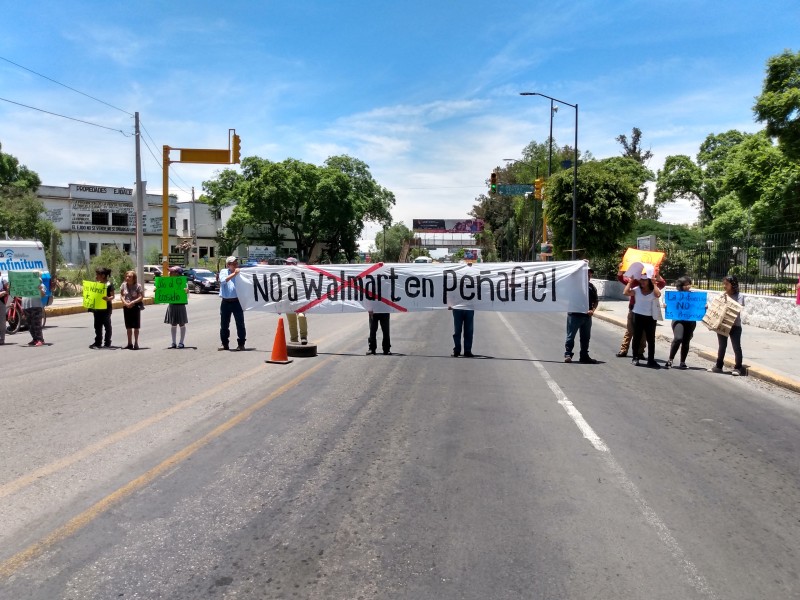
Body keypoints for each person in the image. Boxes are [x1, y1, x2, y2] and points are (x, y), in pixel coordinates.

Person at [616, 266, 666, 359]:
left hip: (648, 313)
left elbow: (662, 283)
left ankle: (640, 352)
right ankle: (624, 349)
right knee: (630, 330)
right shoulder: (635, 283)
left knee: (643, 334)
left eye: (645, 278)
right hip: (634, 310)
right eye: (641, 277)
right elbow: (621, 279)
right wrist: (621, 269)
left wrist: (657, 274)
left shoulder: (651, 285)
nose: (642, 281)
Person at [709, 275, 745, 376]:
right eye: (724, 284)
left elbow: (737, 309)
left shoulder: (739, 296)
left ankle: (738, 367)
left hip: (735, 326)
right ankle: (718, 366)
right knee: (722, 346)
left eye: (726, 284)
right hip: (722, 325)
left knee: (736, 347)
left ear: (732, 285)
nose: (724, 286)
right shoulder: (722, 295)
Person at [624, 273, 662, 368]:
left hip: (650, 317)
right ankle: (635, 357)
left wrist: (654, 284)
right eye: (641, 280)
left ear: (649, 281)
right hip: (638, 316)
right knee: (637, 337)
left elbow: (658, 295)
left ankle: (651, 360)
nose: (642, 282)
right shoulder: (637, 290)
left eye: (645, 280)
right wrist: (630, 282)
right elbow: (625, 292)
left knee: (651, 339)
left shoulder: (653, 290)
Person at [564, 266, 599, 364]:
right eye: (586, 274)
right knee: (570, 336)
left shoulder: (591, 287)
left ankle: (584, 356)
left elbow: (596, 301)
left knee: (585, 338)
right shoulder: (574, 285)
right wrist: (579, 266)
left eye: (589, 274)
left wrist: (593, 310)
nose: (588, 276)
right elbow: (570, 275)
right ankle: (568, 354)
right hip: (574, 315)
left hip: (586, 317)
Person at [666, 276, 696, 370]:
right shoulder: (675, 296)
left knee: (686, 341)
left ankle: (682, 362)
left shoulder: (694, 296)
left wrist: (704, 307)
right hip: (678, 320)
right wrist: (666, 305)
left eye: (689, 284)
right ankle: (670, 359)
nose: (688, 286)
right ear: (680, 286)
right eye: (685, 285)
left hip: (690, 321)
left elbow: (697, 307)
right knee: (678, 338)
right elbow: (670, 305)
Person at [218, 256, 246, 351]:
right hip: (225, 302)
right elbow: (222, 281)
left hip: (237, 301)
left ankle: (241, 344)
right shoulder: (224, 272)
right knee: (224, 324)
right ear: (228, 265)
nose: (235, 265)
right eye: (233, 264)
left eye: (236, 263)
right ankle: (224, 343)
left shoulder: (240, 272)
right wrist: (234, 273)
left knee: (240, 323)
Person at [284, 257, 308, 344]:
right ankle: (294, 339)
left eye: (289, 263)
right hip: (288, 301)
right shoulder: (283, 274)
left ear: (294, 264)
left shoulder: (301, 273)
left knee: (301, 316)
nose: (287, 265)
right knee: (291, 321)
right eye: (286, 263)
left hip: (300, 300)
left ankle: (303, 336)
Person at [90, 267, 115, 349]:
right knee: (97, 326)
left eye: (98, 274)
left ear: (103, 275)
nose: (96, 276)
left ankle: (107, 342)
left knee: (107, 326)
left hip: (106, 309)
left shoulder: (108, 284)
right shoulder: (96, 284)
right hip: (97, 309)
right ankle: (98, 342)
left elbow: (112, 296)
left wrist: (108, 298)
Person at [164, 266, 189, 349]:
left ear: (177, 273)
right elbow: (164, 292)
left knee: (182, 323)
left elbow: (187, 295)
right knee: (173, 324)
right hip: (172, 305)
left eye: (172, 272)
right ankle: (173, 342)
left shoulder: (183, 282)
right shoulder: (168, 282)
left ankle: (181, 342)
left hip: (180, 305)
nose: (169, 273)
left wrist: (187, 291)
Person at [120, 270, 144, 350]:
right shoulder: (123, 285)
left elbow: (141, 297)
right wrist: (125, 303)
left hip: (135, 307)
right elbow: (122, 295)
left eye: (129, 277)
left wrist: (133, 302)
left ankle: (136, 343)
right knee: (128, 326)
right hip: (126, 307)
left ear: (134, 278)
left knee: (136, 326)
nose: (127, 278)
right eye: (126, 276)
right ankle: (129, 343)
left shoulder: (138, 286)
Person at [22, 270, 47, 347]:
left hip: (36, 306)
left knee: (36, 324)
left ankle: (40, 340)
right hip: (26, 306)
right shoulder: (26, 284)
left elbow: (43, 295)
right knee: (29, 324)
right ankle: (35, 339)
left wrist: (39, 289)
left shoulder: (42, 285)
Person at [0, 270, 8, 345]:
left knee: (2, 321)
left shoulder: (3, 279)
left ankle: (2, 339)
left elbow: (8, 289)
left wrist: (4, 292)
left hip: (1, 302)